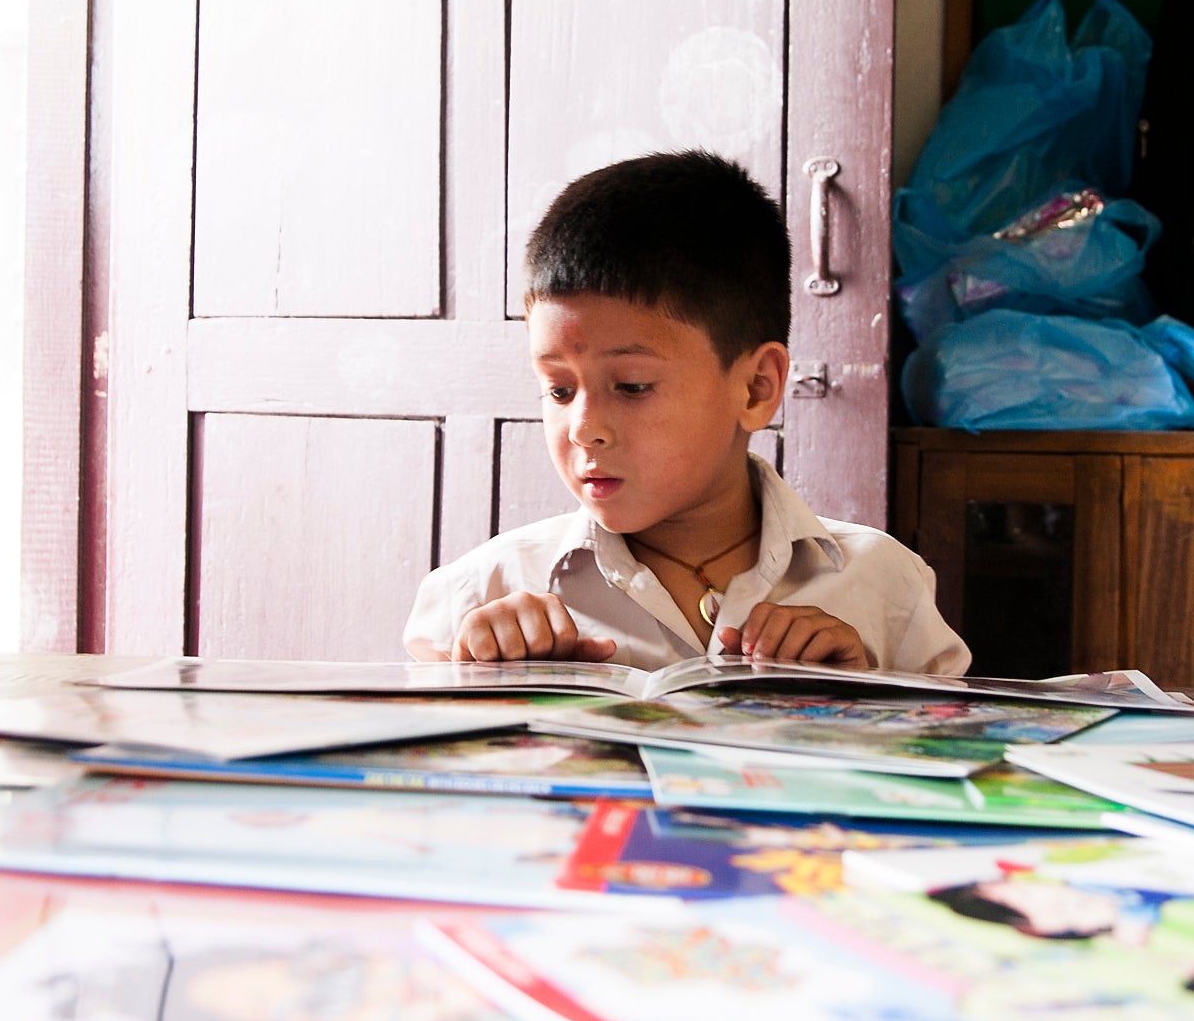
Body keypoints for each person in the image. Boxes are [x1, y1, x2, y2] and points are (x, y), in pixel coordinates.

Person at [402, 150, 970, 674]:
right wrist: (484, 690)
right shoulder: (484, 596)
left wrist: (862, 698)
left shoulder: (883, 589)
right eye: (558, 390)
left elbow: (945, 761)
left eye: (631, 386)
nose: (583, 429)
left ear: (755, 389)